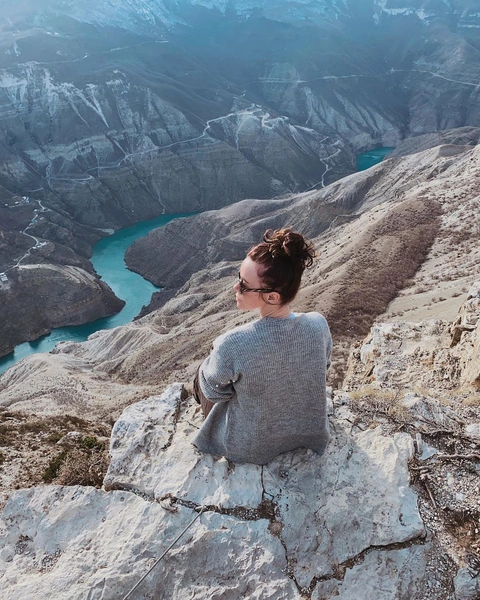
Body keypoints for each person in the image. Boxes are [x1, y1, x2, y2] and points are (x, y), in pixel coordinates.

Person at [192, 228, 332, 465]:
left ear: (272, 297)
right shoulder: (318, 324)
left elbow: (214, 392)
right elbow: (323, 366)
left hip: (251, 447)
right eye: (239, 278)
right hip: (311, 435)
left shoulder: (234, 342)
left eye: (245, 285)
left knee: (202, 372)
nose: (236, 288)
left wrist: (216, 353)